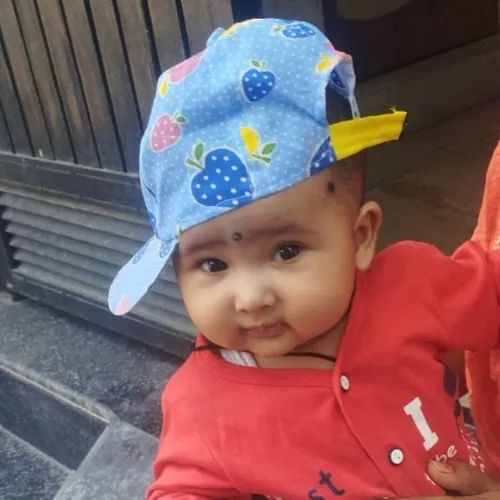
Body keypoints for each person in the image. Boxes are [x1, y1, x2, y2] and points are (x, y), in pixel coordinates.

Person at [106, 18, 500, 499]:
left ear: (360, 236)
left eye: (286, 251)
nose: (251, 297)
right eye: (213, 264)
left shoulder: (414, 284)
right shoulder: (200, 407)